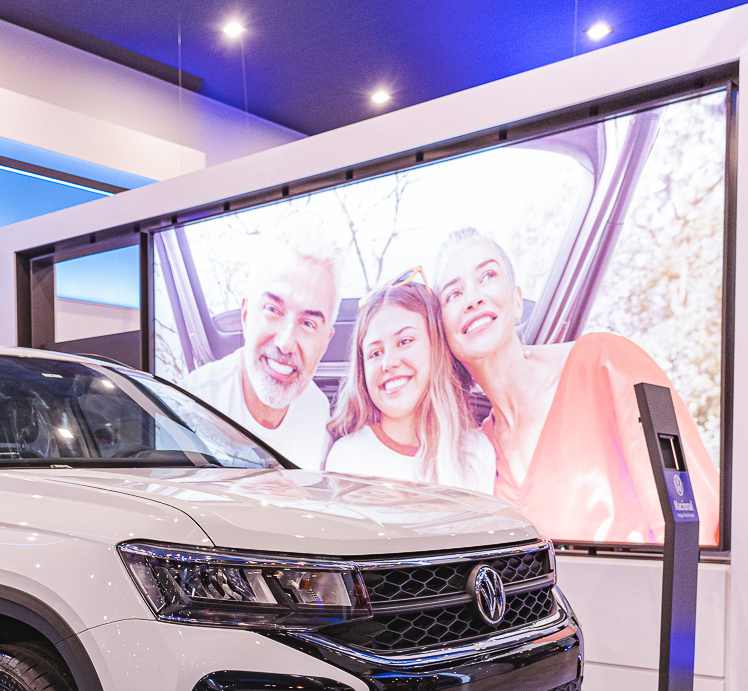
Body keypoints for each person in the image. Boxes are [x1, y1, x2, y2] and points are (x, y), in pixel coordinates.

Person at [434, 228, 719, 544]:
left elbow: (693, 530)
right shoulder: (477, 459)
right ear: (443, 331)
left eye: (487, 275)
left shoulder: (609, 362)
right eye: (453, 294)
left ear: (516, 301)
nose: (472, 299)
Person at [181, 231, 339, 470]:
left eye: (308, 323)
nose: (285, 343)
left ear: (326, 341)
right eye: (273, 309)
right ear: (246, 315)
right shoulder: (193, 403)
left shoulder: (317, 411)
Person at [325, 275, 494, 492]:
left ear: (437, 348)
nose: (388, 363)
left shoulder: (476, 453)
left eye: (404, 341)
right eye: (375, 353)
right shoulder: (350, 459)